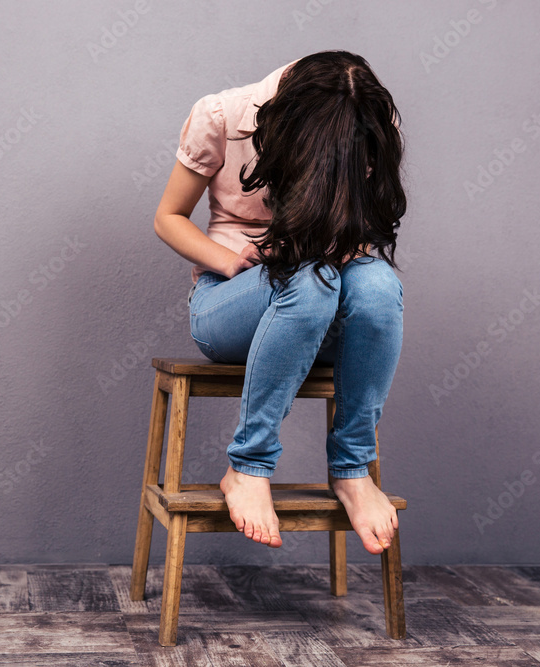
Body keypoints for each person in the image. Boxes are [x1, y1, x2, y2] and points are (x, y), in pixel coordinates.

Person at [153, 50, 407, 555]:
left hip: (325, 305)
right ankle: (248, 466)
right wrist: (229, 261)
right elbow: (168, 217)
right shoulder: (221, 115)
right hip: (231, 301)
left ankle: (352, 470)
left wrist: (343, 242)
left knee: (377, 283)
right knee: (311, 280)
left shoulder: (368, 120)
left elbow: (366, 232)